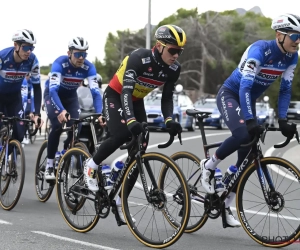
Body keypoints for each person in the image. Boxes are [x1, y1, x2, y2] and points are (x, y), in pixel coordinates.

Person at [200, 13, 300, 228]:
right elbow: (245, 86)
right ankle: (209, 166)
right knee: (243, 134)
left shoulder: (292, 57)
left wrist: (282, 120)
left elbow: (285, 90)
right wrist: (250, 119)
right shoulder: (260, 50)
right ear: (280, 35)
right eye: (295, 36)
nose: (298, 41)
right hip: (231, 94)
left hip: (249, 99)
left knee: (245, 159)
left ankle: (225, 204)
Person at [83, 24, 186, 223]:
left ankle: (121, 201)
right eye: (173, 50)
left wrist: (170, 120)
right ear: (159, 45)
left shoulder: (174, 68)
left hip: (137, 101)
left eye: (179, 52)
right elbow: (126, 92)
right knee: (121, 134)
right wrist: (130, 121)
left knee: (141, 148)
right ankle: (91, 164)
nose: (176, 56)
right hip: (116, 95)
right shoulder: (139, 58)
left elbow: (167, 98)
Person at [44, 37, 102, 180]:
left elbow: (95, 92)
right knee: (57, 125)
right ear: (69, 53)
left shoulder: (89, 67)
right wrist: (61, 110)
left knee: (77, 125)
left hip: (71, 98)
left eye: (84, 54)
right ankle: (49, 165)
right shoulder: (60, 63)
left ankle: (64, 152)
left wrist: (100, 113)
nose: (81, 58)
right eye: (77, 54)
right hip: (54, 96)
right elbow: (53, 91)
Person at [0, 29, 43, 143]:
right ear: (16, 45)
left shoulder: (32, 60)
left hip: (15, 97)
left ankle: (7, 157)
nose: (28, 51)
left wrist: (37, 114)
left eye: (31, 48)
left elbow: (37, 88)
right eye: (25, 47)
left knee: (20, 134)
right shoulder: (2, 58)